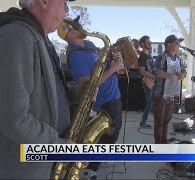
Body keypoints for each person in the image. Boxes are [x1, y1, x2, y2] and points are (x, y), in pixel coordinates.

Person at [0, 0, 83, 179]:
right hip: (24, 168)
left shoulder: (41, 39)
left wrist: (77, 93)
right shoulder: (17, 37)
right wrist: (57, 145)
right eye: (63, 2)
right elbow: (13, 118)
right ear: (44, 1)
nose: (67, 8)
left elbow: (47, 93)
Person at [57, 17, 123, 179]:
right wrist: (113, 69)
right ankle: (90, 169)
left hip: (114, 93)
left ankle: (100, 156)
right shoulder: (75, 55)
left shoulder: (90, 45)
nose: (81, 29)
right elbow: (88, 86)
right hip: (104, 98)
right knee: (109, 133)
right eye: (74, 28)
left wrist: (111, 61)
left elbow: (99, 65)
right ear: (68, 35)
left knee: (113, 131)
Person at [151, 35, 186, 144]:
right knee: (159, 121)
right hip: (160, 94)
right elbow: (155, 71)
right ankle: (158, 145)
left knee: (166, 121)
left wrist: (182, 75)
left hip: (171, 94)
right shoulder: (162, 57)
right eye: (177, 43)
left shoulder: (179, 59)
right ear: (169, 44)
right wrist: (168, 75)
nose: (179, 45)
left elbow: (184, 72)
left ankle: (163, 142)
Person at [138, 35, 155, 128]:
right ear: (142, 44)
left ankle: (144, 120)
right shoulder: (142, 57)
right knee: (150, 102)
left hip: (151, 81)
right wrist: (154, 76)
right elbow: (142, 71)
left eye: (150, 42)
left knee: (151, 102)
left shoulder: (149, 56)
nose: (150, 43)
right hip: (147, 82)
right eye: (148, 42)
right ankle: (143, 121)